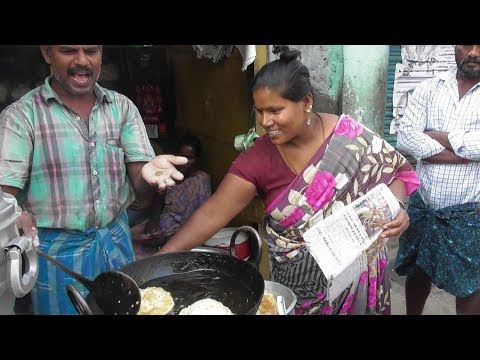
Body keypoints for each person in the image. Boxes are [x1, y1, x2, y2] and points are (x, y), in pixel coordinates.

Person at [157, 45, 420, 315]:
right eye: (259, 111)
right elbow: (211, 214)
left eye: (275, 110)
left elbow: (396, 174)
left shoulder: (348, 138)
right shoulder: (257, 161)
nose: (265, 121)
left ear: (306, 102)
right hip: (301, 295)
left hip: (359, 282)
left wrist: (398, 206)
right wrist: (159, 262)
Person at [0, 45, 187, 315]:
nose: (82, 61)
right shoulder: (21, 116)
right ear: (47, 53)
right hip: (57, 257)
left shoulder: (121, 108)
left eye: (90, 51)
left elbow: (141, 183)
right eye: (68, 51)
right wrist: (17, 215)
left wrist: (149, 173)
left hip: (116, 244)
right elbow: (4, 197)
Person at [394, 45, 480, 315]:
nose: (474, 52)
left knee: (469, 284)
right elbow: (406, 137)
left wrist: (439, 137)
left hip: (469, 211)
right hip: (424, 205)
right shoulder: (429, 88)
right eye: (467, 44)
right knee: (418, 271)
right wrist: (465, 155)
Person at [131, 134, 212, 259]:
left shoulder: (201, 180)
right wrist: (154, 221)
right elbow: (159, 198)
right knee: (129, 240)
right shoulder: (170, 173)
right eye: (181, 156)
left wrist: (170, 236)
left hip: (186, 231)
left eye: (190, 158)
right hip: (163, 225)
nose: (185, 162)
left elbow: (203, 218)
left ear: (197, 159)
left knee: (159, 258)